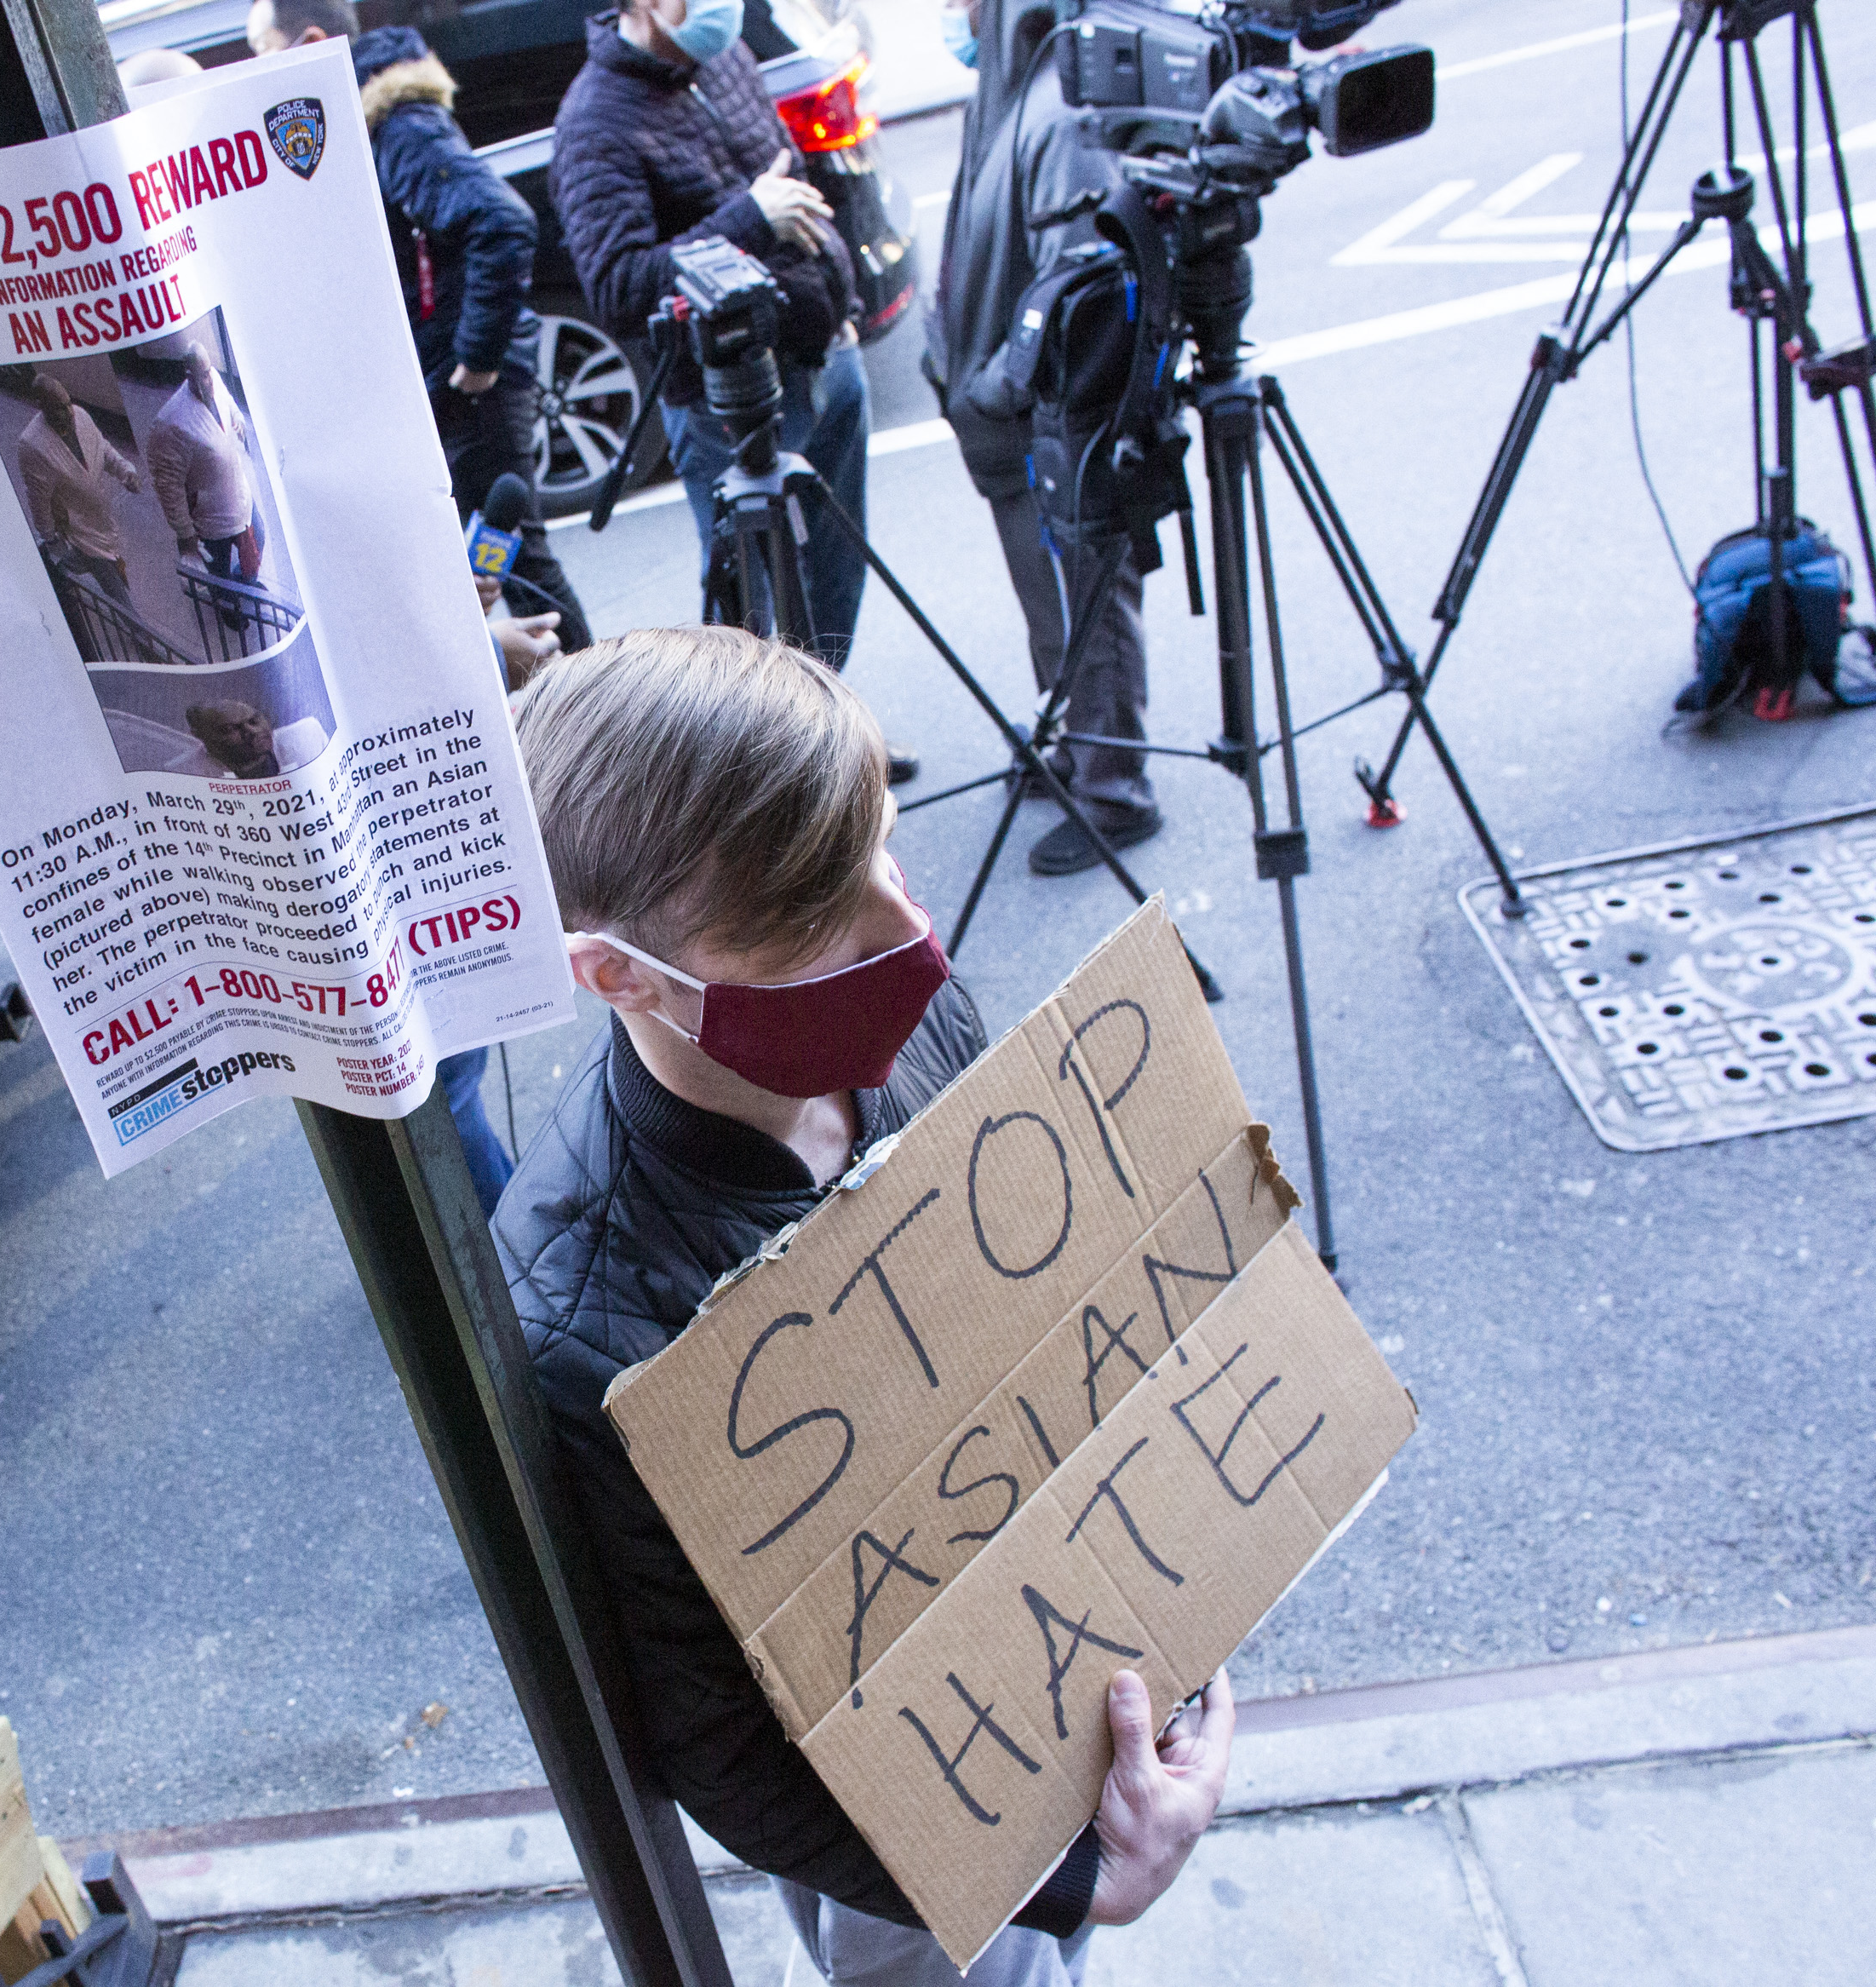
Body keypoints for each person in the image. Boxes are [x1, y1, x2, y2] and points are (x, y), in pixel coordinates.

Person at [496, 624, 1232, 1986]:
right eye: (807, 921)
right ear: (615, 974)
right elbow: (718, 1742)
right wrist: (1071, 1879)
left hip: (1045, 1656)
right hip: (895, 1808)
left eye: (881, 850)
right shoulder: (585, 1324)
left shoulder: (906, 1024)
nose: (908, 936)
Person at [248, 0, 599, 657]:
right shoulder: (360, 122)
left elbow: (502, 221)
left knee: (516, 562)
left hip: (472, 390)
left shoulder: (393, 123)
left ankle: (605, 711)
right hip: (445, 379)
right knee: (489, 562)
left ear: (313, 42)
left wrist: (475, 360)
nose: (256, 70)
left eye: (263, 51)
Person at [548, 3, 875, 672]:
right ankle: (765, 763)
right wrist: (751, 218)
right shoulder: (593, 123)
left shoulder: (723, 57)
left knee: (838, 569)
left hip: (827, 355)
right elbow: (620, 286)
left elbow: (788, 179)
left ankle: (832, 737)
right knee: (750, 618)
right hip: (725, 398)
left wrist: (841, 297)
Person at [926, 1, 1165, 876]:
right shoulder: (1006, 86)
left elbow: (1075, 281)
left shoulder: (1059, 105)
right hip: (1005, 418)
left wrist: (993, 384)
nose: (944, 14)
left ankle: (1114, 795)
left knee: (1086, 606)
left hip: (1045, 420)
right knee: (1047, 599)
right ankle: (1073, 748)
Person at [17, 373, 142, 611]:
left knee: (78, 565)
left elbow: (102, 449)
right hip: (79, 530)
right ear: (42, 408)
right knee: (114, 586)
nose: (68, 413)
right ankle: (141, 635)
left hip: (101, 522)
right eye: (59, 409)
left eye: (67, 404)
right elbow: (38, 498)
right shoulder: (32, 445)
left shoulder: (81, 415)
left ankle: (50, 570)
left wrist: (126, 472)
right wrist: (49, 535)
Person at [147, 346, 264, 591]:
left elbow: (229, 402)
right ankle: (228, 606)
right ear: (189, 376)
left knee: (258, 538)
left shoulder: (215, 380)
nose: (209, 380)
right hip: (212, 521)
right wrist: (185, 533)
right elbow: (169, 487)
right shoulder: (171, 423)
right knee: (219, 576)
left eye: (209, 372)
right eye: (202, 375)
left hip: (240, 498)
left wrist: (238, 418)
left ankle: (245, 585)